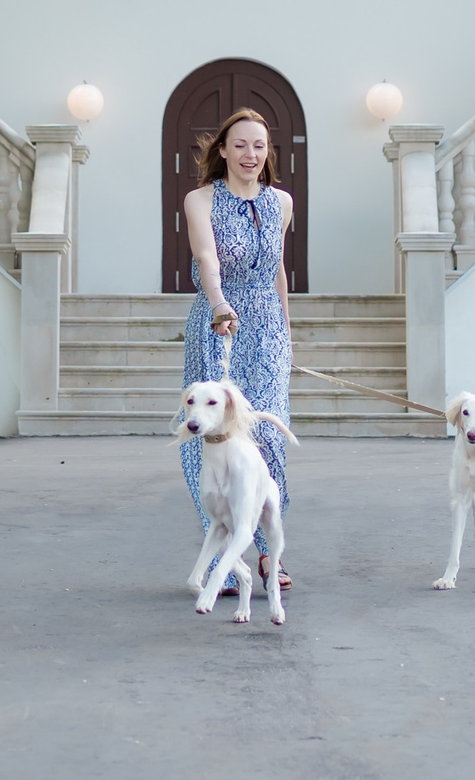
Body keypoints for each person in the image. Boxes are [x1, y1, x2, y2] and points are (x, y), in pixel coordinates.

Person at [179, 106, 296, 591]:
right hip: (218, 323)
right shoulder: (200, 199)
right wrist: (219, 304)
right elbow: (206, 257)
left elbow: (278, 270)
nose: (251, 154)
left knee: (267, 432)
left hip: (267, 326)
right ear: (223, 150)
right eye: (241, 145)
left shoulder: (281, 202)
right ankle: (224, 557)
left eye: (259, 145)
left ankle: (269, 552)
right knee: (214, 438)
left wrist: (287, 331)